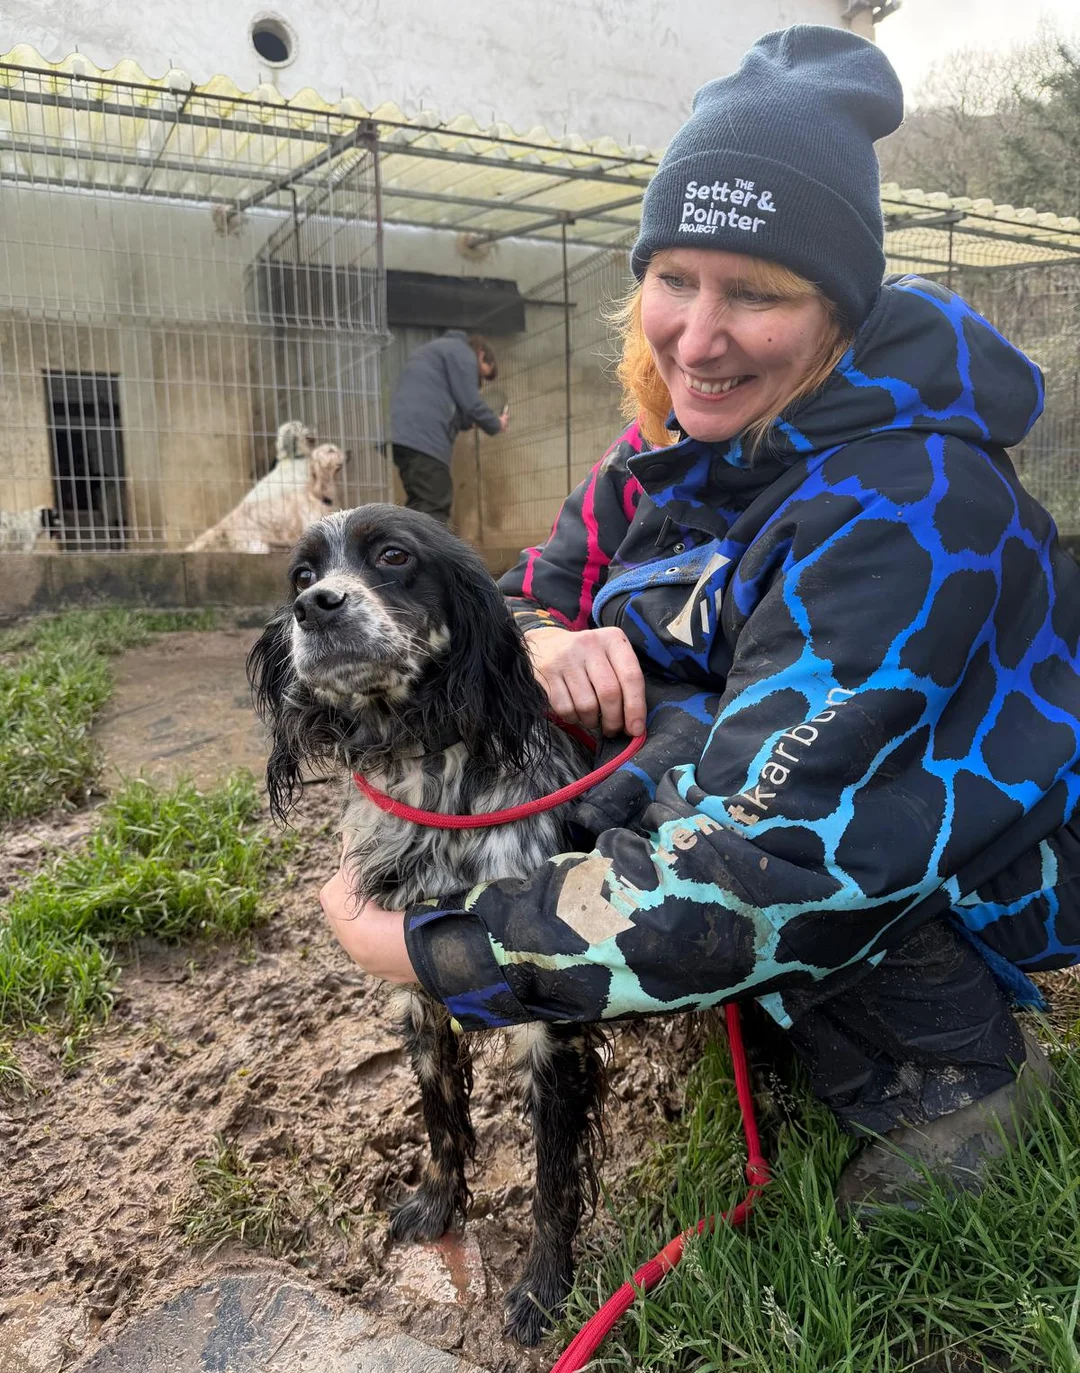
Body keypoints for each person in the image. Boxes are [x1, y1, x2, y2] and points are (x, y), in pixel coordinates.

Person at [322, 25, 1076, 1213]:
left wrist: (429, 950)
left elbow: (768, 861)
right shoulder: (661, 455)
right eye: (674, 278)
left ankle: (960, 1079)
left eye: (757, 294)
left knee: (702, 800)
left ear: (840, 308)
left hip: (956, 846)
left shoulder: (910, 507)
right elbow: (527, 584)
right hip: (778, 814)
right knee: (634, 743)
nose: (697, 337)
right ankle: (762, 1007)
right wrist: (547, 639)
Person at [389, 329, 509, 526]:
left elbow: (449, 406)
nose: (477, 382)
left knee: (420, 506)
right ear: (480, 353)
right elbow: (471, 403)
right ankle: (430, 557)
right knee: (436, 502)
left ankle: (409, 552)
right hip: (424, 438)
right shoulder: (462, 353)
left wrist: (469, 421)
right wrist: (496, 423)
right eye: (480, 374)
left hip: (403, 437)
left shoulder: (439, 352)